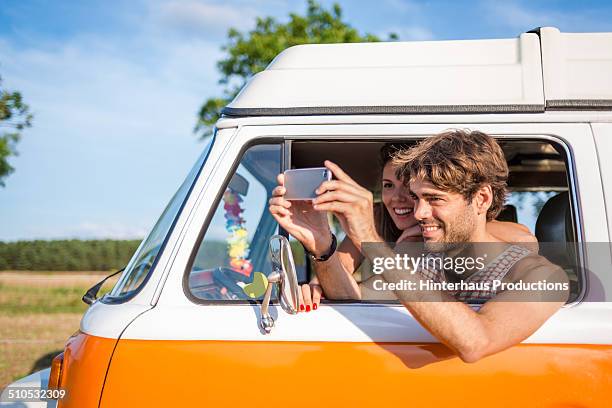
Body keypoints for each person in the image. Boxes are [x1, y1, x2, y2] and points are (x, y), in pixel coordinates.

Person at [270, 130, 568, 362]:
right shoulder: (421, 265)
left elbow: (476, 342)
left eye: (435, 199)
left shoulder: (544, 277)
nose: (419, 213)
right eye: (418, 197)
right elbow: (355, 300)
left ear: (481, 199)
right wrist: (324, 245)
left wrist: (370, 239)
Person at [269, 141, 537, 311]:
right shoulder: (377, 218)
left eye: (410, 189)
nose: (397, 198)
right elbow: (341, 283)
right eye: (388, 186)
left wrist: (425, 232)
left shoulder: (459, 222)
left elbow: (525, 240)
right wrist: (318, 281)